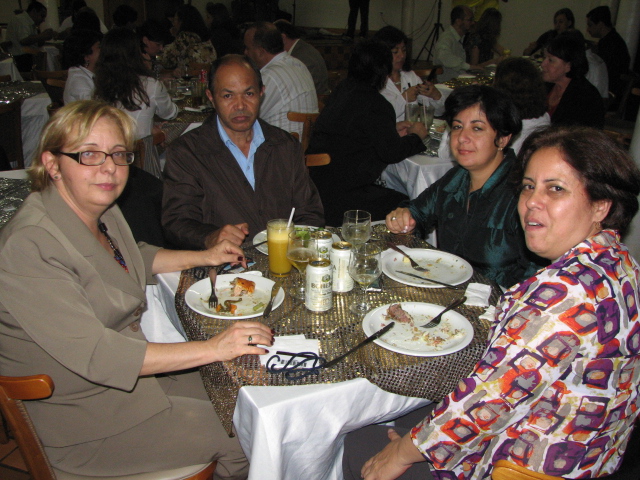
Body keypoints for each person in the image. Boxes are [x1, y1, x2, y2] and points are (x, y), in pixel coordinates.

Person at [343, 125, 640, 480]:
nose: (531, 202)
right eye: (528, 186)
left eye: (555, 189)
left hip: (520, 463)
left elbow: (486, 404)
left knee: (353, 439)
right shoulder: (619, 261)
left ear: (601, 206)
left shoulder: (565, 293)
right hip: (592, 453)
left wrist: (402, 452)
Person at [0, 100, 273, 478]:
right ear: (52, 164)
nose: (109, 168)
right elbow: (99, 355)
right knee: (245, 434)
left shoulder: (99, 210)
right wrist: (216, 347)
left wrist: (204, 256)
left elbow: (128, 257)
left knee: (240, 391)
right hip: (85, 420)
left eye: (118, 154)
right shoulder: (29, 245)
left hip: (130, 385)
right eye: (89, 154)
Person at [162, 54, 324, 250]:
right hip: (222, 262)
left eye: (249, 94)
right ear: (211, 97)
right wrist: (210, 237)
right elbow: (177, 221)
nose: (240, 106)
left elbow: (310, 213)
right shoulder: (187, 152)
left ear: (261, 93)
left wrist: (297, 246)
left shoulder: (285, 146)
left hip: (284, 258)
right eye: (228, 96)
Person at [386, 85, 539, 289]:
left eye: (477, 128)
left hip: (501, 302)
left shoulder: (522, 194)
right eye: (457, 127)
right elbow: (418, 212)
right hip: (446, 291)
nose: (462, 138)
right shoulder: (457, 178)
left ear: (503, 138)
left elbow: (537, 274)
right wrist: (405, 217)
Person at [306, 40, 428, 227]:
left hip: (318, 186)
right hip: (345, 196)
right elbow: (391, 152)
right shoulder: (375, 103)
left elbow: (352, 130)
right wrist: (416, 136)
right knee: (406, 204)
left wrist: (390, 129)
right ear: (384, 71)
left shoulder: (343, 89)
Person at [94, 28, 178, 140]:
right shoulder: (149, 84)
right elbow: (170, 114)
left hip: (109, 145)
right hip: (140, 148)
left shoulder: (100, 83)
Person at [243, 21, 318, 137]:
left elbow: (245, 115)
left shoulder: (269, 76)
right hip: (303, 142)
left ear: (261, 52)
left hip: (280, 143)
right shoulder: (299, 64)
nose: (245, 52)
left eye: (248, 48)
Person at [373, 26, 444, 122]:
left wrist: (435, 96)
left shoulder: (409, 76)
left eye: (404, 50)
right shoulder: (373, 80)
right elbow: (379, 116)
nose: (402, 56)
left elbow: (437, 112)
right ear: (381, 53)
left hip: (412, 129)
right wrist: (404, 99)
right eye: (395, 52)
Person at [542, 33, 605, 129]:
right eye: (544, 58)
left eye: (551, 60)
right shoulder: (545, 87)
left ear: (569, 65)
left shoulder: (585, 97)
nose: (543, 64)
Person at [587, 6, 631, 109]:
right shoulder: (610, 40)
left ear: (600, 24)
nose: (588, 29)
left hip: (610, 95)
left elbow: (604, 74)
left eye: (590, 25)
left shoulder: (611, 44)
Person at [160, 4, 217, 77]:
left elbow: (167, 61)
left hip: (190, 78)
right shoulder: (206, 36)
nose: (173, 24)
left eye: (175, 20)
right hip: (208, 77)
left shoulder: (185, 37)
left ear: (182, 21)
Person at [274, 19, 329, 95]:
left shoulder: (301, 57)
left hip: (316, 99)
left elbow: (295, 89)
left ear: (283, 38)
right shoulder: (302, 48)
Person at [433, 6, 483, 82]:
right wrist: (468, 66)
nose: (472, 23)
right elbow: (443, 56)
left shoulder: (459, 37)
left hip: (457, 80)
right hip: (448, 84)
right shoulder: (447, 38)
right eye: (469, 20)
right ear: (458, 21)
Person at [5, 1, 55, 72]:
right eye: (42, 16)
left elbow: (37, 43)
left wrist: (44, 36)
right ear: (34, 11)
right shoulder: (21, 19)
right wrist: (42, 36)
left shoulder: (30, 22)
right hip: (20, 58)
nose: (43, 20)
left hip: (28, 56)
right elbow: (24, 40)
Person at [61, 29, 102, 104]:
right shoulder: (78, 79)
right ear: (86, 56)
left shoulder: (92, 73)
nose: (103, 50)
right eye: (99, 47)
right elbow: (92, 107)